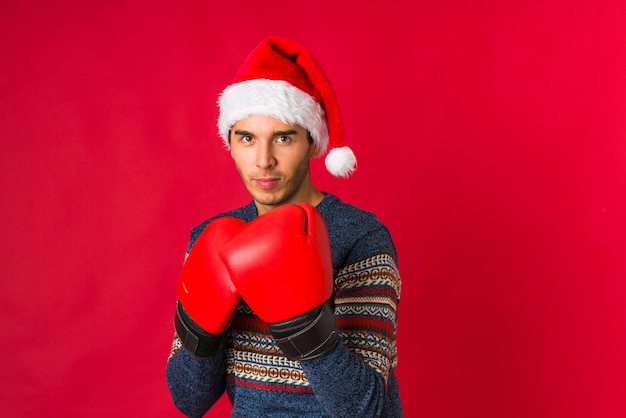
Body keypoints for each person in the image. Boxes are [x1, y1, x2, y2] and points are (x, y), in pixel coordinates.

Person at [165, 36, 403, 417]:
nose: (264, 160)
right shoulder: (212, 240)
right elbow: (188, 399)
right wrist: (200, 331)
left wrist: (303, 325)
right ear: (230, 142)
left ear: (312, 142)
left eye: (282, 138)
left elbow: (367, 408)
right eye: (247, 138)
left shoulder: (360, 237)